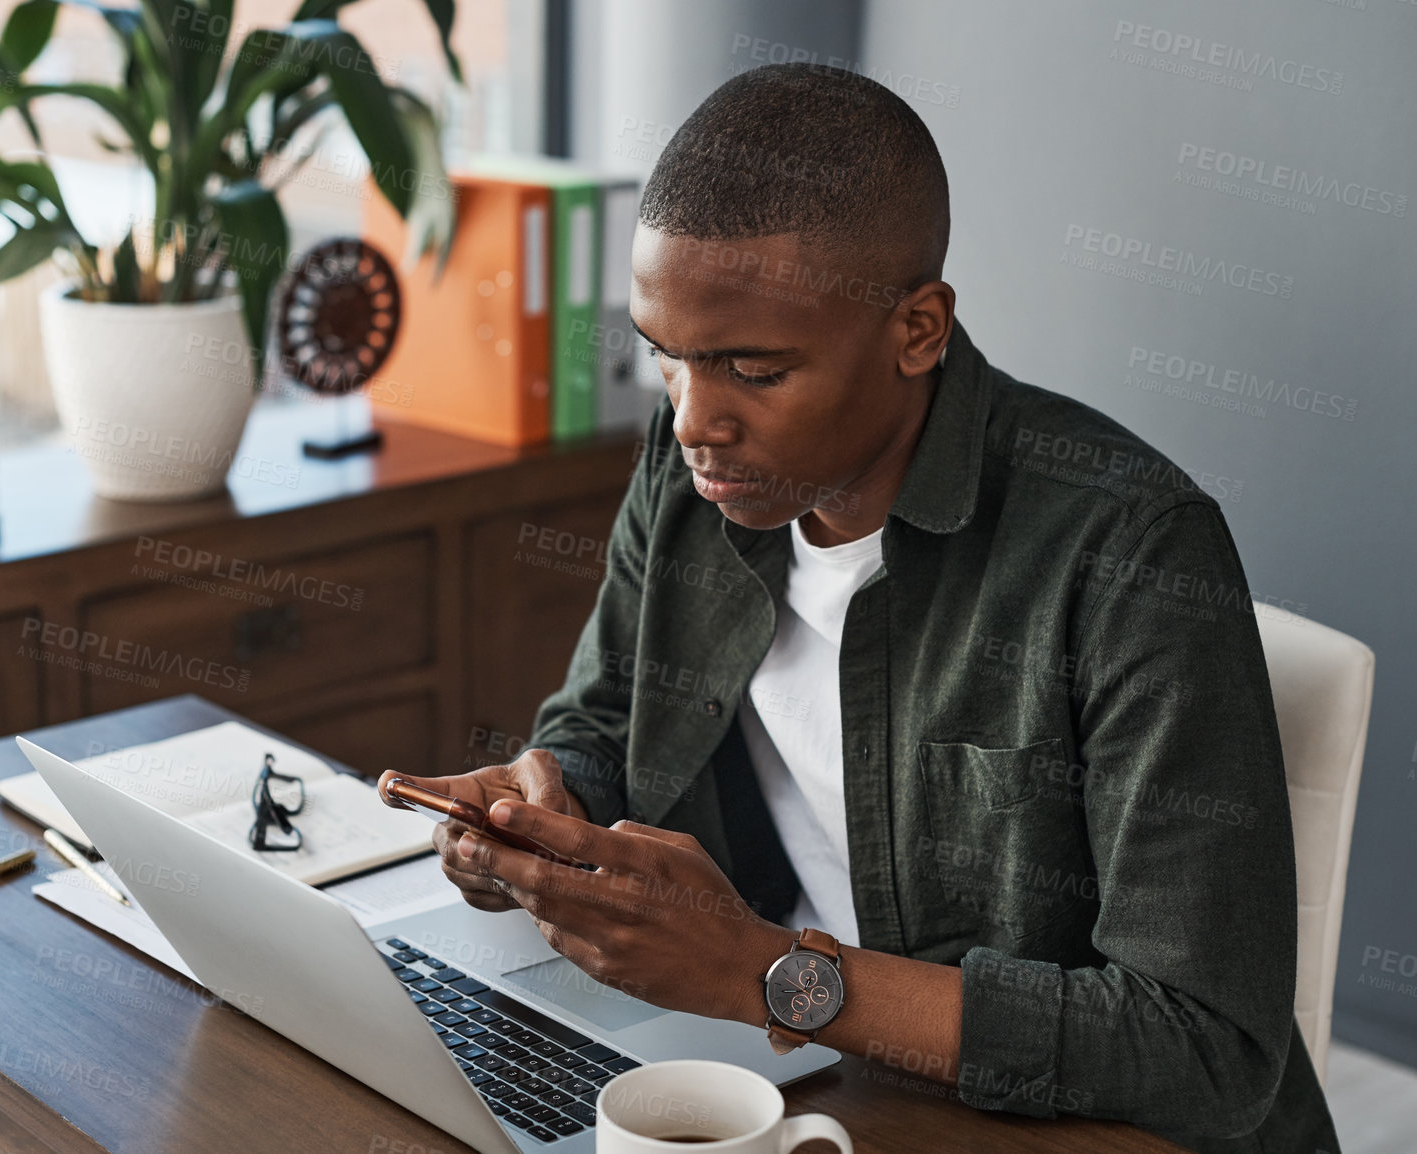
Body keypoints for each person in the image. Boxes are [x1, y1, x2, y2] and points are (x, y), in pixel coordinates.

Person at [379, 63, 1340, 1154]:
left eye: (751, 367)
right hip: (826, 1077)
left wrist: (764, 971)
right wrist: (533, 810)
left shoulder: (1131, 554)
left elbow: (1207, 1052)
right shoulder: (694, 467)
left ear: (918, 329)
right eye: (666, 360)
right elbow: (601, 725)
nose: (696, 420)